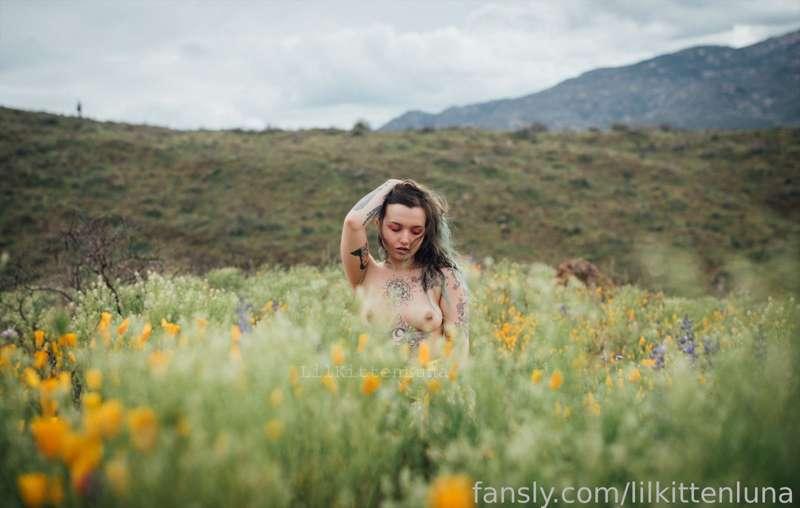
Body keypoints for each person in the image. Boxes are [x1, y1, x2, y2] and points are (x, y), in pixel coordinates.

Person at [340, 178, 469, 363]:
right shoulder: (365, 273)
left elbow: (459, 352)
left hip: (428, 380)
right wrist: (391, 184)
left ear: (426, 232)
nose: (405, 240)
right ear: (378, 223)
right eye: (395, 228)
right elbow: (353, 222)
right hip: (375, 379)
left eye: (416, 231)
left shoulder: (444, 278)